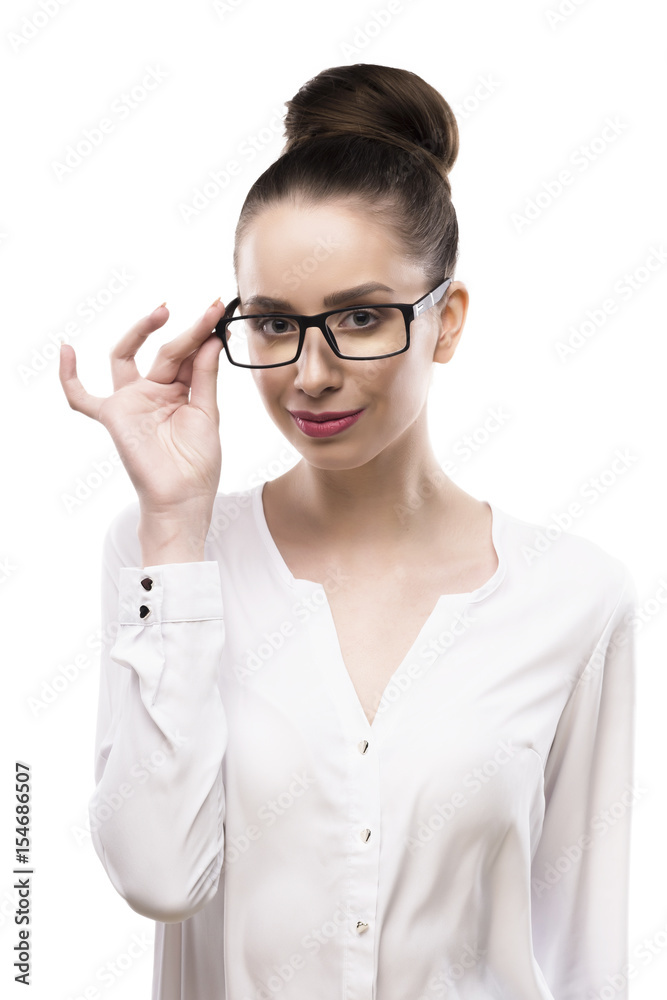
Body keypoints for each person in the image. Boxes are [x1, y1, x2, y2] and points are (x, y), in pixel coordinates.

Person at [59, 63, 638, 1000]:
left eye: (361, 317)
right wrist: (172, 522)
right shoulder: (165, 552)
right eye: (276, 324)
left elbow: (587, 959)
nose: (311, 374)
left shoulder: (576, 597)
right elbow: (158, 880)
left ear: (445, 322)